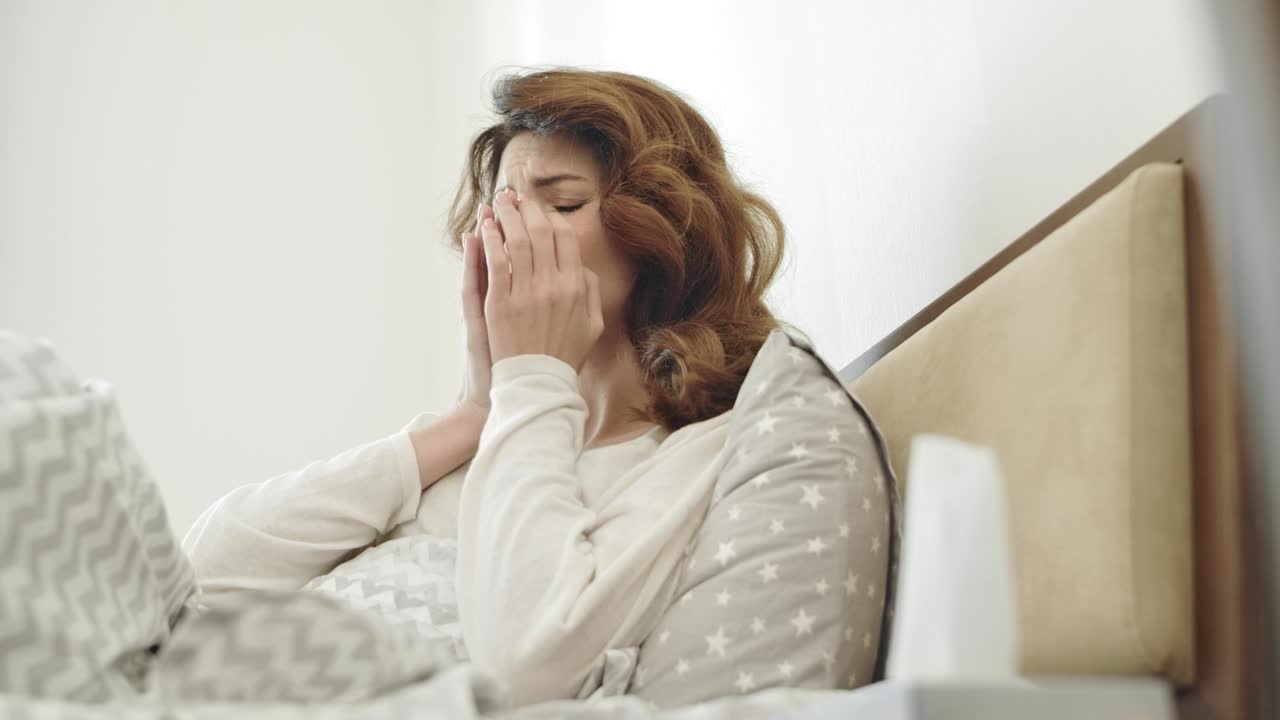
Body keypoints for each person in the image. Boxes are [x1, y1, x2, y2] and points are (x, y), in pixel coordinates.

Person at [183, 68, 824, 706]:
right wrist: (475, 413)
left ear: (661, 231)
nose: (512, 240)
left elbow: (525, 668)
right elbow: (205, 576)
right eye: (503, 213)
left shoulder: (693, 456)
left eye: (564, 205)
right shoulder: (491, 438)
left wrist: (533, 380)